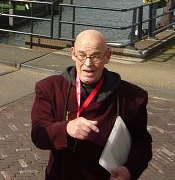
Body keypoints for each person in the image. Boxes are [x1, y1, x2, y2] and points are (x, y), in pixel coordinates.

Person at [30, 29, 152, 180]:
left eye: (95, 56)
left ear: (107, 56)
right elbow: (38, 135)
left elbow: (142, 144)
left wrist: (129, 170)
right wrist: (66, 128)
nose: (88, 63)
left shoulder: (132, 97)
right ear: (73, 53)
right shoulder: (49, 88)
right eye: (82, 55)